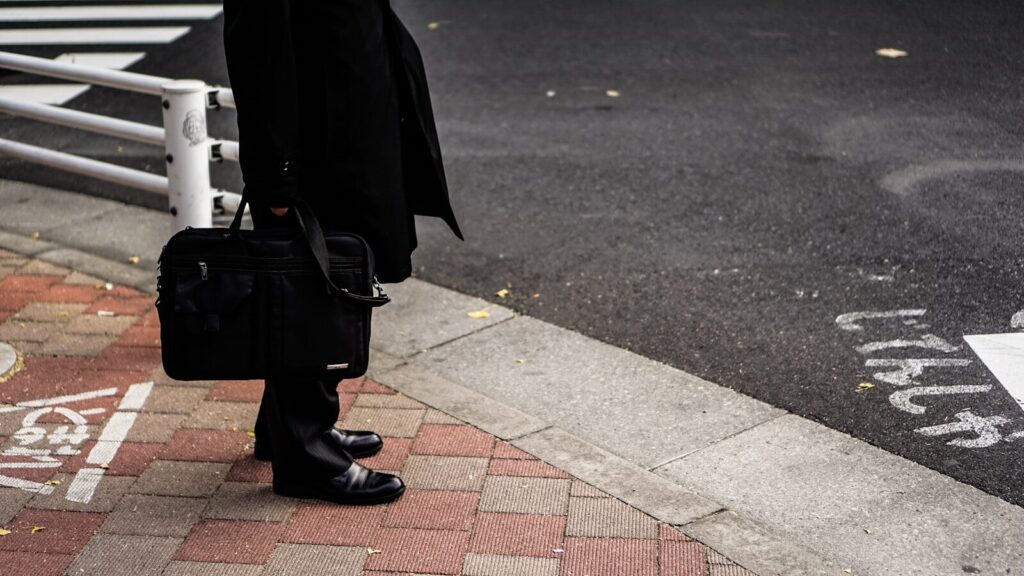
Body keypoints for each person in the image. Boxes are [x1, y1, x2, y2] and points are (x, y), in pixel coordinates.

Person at [222, 0, 463, 505]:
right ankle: (306, 457)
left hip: (342, 134)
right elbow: (259, 50)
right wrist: (276, 176)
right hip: (313, 150)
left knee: (318, 286)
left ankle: (285, 431)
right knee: (308, 290)